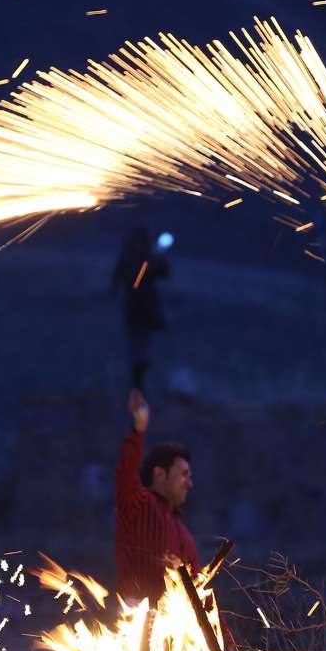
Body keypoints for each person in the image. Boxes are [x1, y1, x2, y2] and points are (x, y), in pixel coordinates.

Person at [114, 389, 199, 605]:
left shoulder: (185, 537)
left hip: (175, 633)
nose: (190, 483)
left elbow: (200, 592)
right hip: (134, 626)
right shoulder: (139, 503)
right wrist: (139, 428)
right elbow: (125, 473)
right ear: (160, 475)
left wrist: (224, 638)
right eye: (184, 475)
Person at [111, 227, 170, 392]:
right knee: (140, 346)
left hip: (140, 306)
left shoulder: (138, 257)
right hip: (140, 305)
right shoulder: (143, 258)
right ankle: (138, 378)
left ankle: (138, 378)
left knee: (139, 345)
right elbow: (163, 272)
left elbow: (163, 272)